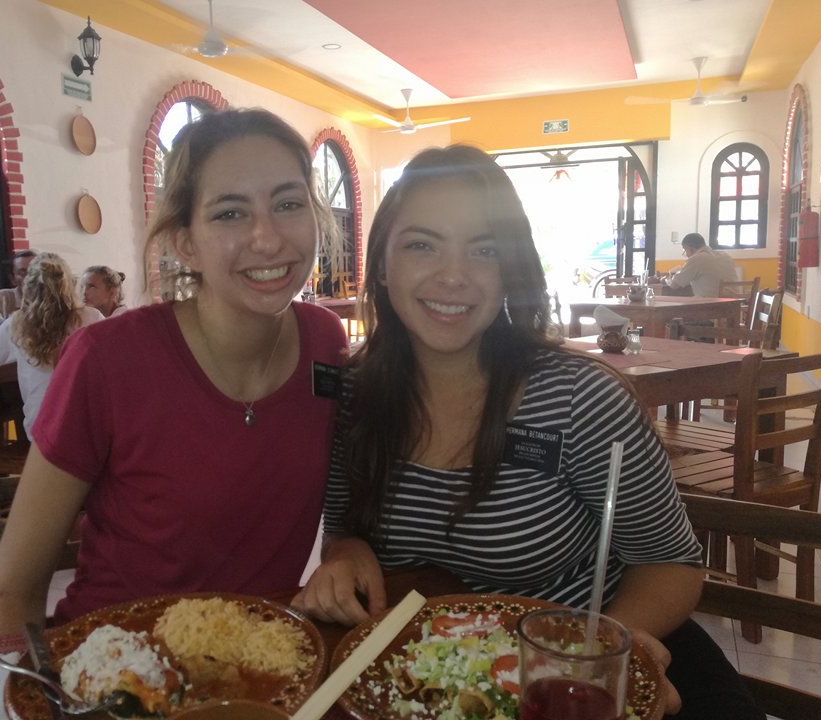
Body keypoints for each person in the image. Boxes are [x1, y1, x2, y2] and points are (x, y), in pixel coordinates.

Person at [292, 146, 764, 720]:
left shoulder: (579, 399)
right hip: (439, 679)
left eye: (485, 249)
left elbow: (672, 563)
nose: (453, 275)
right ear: (383, 264)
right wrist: (345, 552)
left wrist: (593, 656)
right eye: (422, 244)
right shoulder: (354, 395)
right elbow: (344, 527)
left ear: (510, 270)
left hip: (590, 668)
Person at [0, 108, 348, 635]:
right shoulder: (106, 358)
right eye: (230, 213)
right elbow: (12, 591)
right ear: (184, 241)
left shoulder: (326, 343)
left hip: (264, 659)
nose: (268, 239)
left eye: (288, 204)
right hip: (116, 660)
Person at [0, 252, 103, 440]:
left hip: (41, 429)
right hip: (89, 425)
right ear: (69, 284)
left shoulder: (17, 323)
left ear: (29, 286)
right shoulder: (92, 317)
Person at [661, 233, 737, 297]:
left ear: (690, 249)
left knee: (679, 305)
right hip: (733, 304)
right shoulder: (725, 255)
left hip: (712, 305)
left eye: (685, 250)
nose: (686, 254)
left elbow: (674, 285)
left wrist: (666, 280)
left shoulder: (696, 259)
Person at [0, 249, 37, 318]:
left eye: (35, 272)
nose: (30, 277)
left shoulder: (53, 301)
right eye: (23, 273)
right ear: (12, 279)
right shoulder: (2, 299)